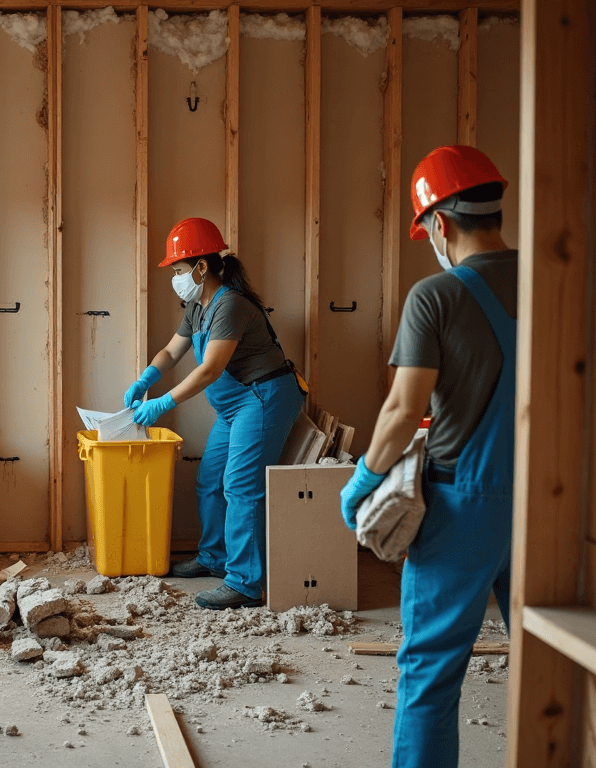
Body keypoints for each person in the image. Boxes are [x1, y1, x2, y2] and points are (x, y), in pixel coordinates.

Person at [339, 146, 516, 767]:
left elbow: (399, 412)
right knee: (554, 664)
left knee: (432, 675)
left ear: (439, 224)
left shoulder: (435, 296)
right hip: (550, 504)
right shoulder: (556, 282)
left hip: (463, 507)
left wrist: (361, 481)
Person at [125, 217, 307, 610]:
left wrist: (162, 403)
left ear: (201, 267)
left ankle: (244, 582)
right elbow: (172, 352)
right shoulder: (198, 307)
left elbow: (209, 369)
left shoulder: (231, 305)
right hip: (233, 408)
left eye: (178, 270)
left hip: (261, 399)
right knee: (210, 480)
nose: (175, 277)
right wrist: (145, 379)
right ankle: (214, 557)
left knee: (241, 487)